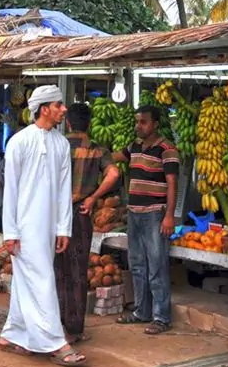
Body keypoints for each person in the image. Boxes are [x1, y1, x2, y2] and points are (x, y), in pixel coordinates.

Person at [0, 85, 86, 367]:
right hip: (25, 226)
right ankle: (55, 342)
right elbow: (9, 190)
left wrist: (63, 228)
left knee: (29, 280)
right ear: (44, 108)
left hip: (48, 227)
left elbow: (63, 190)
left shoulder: (61, 143)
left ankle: (12, 334)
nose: (63, 110)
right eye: (59, 105)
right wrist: (10, 232)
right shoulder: (19, 142)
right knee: (43, 280)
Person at [113, 106, 179, 335]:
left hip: (154, 213)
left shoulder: (167, 150)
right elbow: (113, 157)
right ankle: (142, 311)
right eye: (137, 122)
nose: (138, 126)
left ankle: (161, 317)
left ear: (156, 124)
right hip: (134, 212)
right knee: (137, 264)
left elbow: (172, 184)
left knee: (157, 265)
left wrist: (169, 216)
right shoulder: (134, 147)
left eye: (143, 122)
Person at [60, 103, 120, 344]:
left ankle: (55, 326)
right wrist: (94, 197)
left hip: (55, 212)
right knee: (77, 270)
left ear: (68, 123)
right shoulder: (97, 150)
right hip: (81, 212)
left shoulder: (58, 145)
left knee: (55, 269)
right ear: (89, 123)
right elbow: (114, 174)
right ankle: (75, 328)